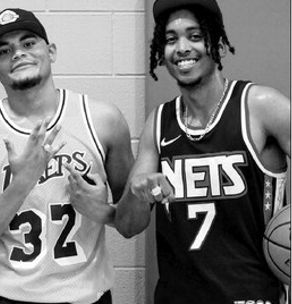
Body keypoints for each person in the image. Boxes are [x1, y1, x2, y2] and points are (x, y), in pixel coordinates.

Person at [114, 0, 290, 303]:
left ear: (219, 46)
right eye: (171, 39)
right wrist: (135, 193)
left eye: (195, 36)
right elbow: (128, 226)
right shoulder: (158, 122)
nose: (181, 47)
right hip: (177, 297)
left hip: (254, 295)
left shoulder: (261, 106)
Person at [0, 8, 134, 304]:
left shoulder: (102, 120)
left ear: (51, 51)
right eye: (4, 50)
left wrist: (103, 210)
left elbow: (132, 224)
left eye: (28, 43)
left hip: (85, 295)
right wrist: (21, 184)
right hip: (4, 294)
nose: (18, 53)